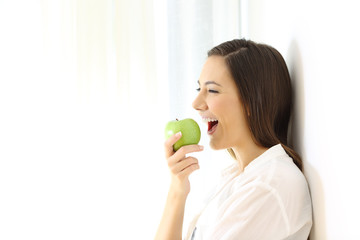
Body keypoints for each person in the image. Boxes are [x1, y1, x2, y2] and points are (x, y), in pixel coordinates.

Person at [155, 39, 313, 240]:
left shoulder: (269, 186)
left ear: (251, 101)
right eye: (199, 89)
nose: (196, 103)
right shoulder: (237, 176)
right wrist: (178, 189)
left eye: (212, 90)